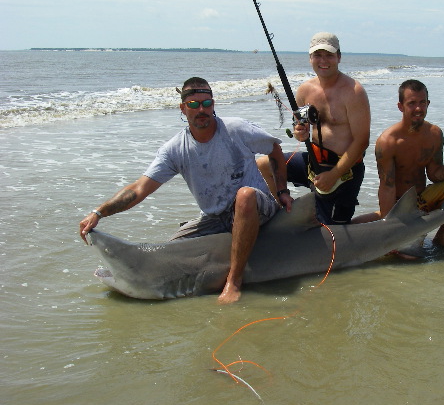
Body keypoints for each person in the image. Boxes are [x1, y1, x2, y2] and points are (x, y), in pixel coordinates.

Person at [79, 77, 293, 304]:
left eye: (206, 103)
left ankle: (234, 281)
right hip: (215, 217)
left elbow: (274, 149)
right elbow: (140, 188)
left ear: (213, 104)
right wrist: (99, 212)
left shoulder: (236, 129)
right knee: (166, 254)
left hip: (257, 208)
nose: (201, 109)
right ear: (183, 108)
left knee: (245, 195)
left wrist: (281, 192)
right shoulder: (175, 149)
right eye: (193, 104)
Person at [352, 79, 444, 252]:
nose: (418, 109)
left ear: (428, 103)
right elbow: (387, 187)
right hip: (399, 206)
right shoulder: (388, 142)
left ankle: (441, 236)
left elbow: (435, 173)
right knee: (351, 230)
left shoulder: (434, 134)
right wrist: (388, 230)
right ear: (400, 106)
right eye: (411, 103)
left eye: (422, 103)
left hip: (423, 199)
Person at [258, 32, 370, 225]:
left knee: (331, 233)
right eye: (317, 55)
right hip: (313, 163)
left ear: (339, 57)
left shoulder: (354, 92)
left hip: (343, 172)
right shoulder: (304, 90)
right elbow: (300, 128)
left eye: (329, 55)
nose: (323, 60)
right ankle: (278, 212)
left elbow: (362, 141)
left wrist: (333, 175)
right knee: (263, 165)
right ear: (310, 58)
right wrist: (299, 133)